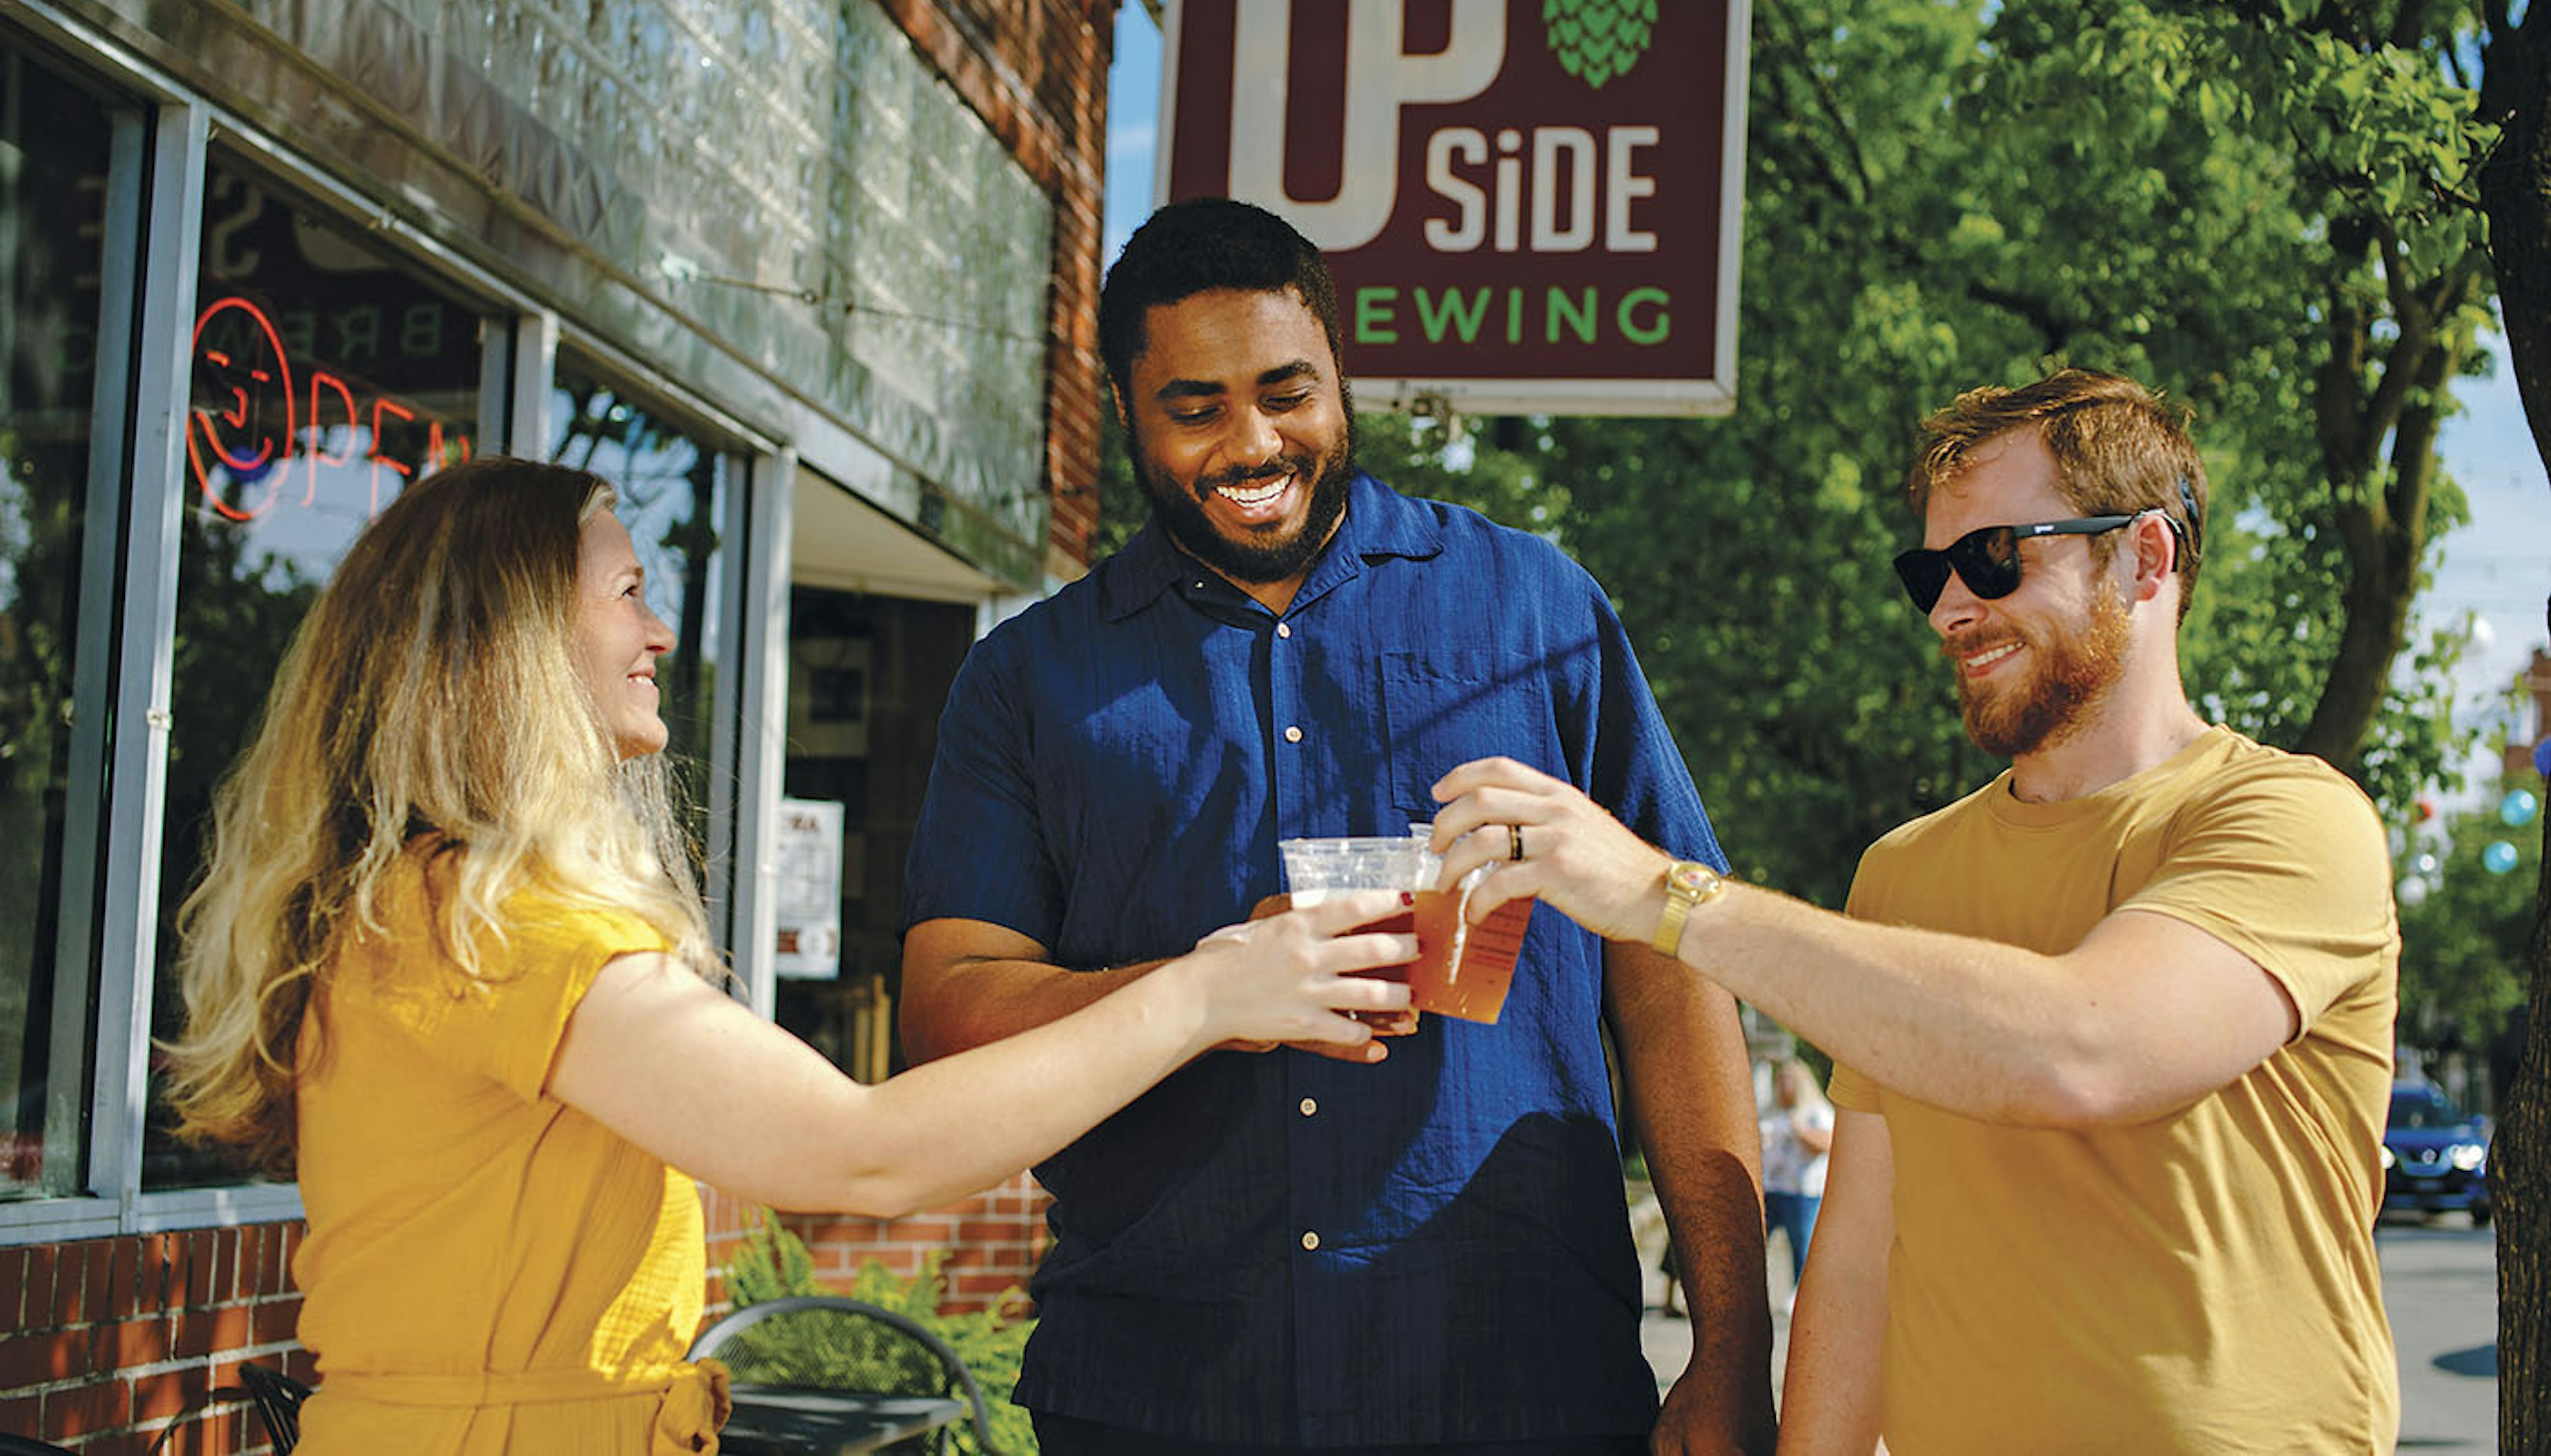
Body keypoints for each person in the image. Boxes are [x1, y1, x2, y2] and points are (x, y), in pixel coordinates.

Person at [164, 456, 1415, 1455]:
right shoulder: (496, 919)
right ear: (513, 635)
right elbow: (859, 1151)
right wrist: (1209, 987)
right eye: (627, 589)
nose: (659, 628)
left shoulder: (423, 906)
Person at [898, 197, 1776, 1455]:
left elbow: (1673, 969)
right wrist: (1207, 983)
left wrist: (1731, 1347)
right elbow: (948, 1009)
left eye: (1286, 390)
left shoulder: (1539, 609)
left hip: (1515, 1384)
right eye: (1195, 406)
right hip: (1164, 1394)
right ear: (1126, 415)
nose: (1251, 441)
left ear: (1340, 378)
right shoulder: (1028, 677)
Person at [1428, 370, 2399, 1453]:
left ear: (2146, 556)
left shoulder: (2292, 820)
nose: (1948, 607)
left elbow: (2081, 1050)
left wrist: (1661, 894)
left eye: (1992, 557)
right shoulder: (1903, 871)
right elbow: (1857, 1254)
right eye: (1927, 570)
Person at [1756, 1059, 1832, 1306]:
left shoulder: (1817, 1113)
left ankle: (1800, 1296)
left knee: (1802, 1246)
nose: (1782, 1085)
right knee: (1754, 1241)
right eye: (1780, 1080)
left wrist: (1800, 1130)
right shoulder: (1776, 1114)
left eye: (1788, 1080)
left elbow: (1826, 1144)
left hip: (1803, 1192)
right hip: (1773, 1188)